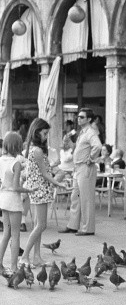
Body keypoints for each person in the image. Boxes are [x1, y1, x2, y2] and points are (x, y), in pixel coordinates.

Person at [20, 119, 68, 267]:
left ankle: (36, 257)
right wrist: (59, 183)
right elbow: (46, 174)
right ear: (37, 132)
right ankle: (25, 257)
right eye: (45, 133)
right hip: (40, 189)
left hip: (37, 188)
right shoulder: (38, 150)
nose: (47, 136)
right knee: (41, 225)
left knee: (38, 225)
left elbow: (41, 171)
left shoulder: (32, 149)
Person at [59, 108, 102, 236]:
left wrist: (91, 159)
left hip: (85, 167)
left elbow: (98, 146)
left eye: (82, 117)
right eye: (78, 117)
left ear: (89, 119)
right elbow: (78, 149)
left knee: (86, 199)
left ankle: (88, 228)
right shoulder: (82, 132)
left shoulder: (90, 132)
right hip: (78, 167)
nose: (79, 119)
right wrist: (70, 143)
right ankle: (73, 225)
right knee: (75, 197)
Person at [0, 132, 37, 276]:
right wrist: (29, 189)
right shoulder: (15, 162)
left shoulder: (1, 159)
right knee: (15, 235)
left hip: (3, 198)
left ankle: (0, 263)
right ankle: (14, 267)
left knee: (6, 234)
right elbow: (16, 187)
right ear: (17, 145)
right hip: (13, 200)